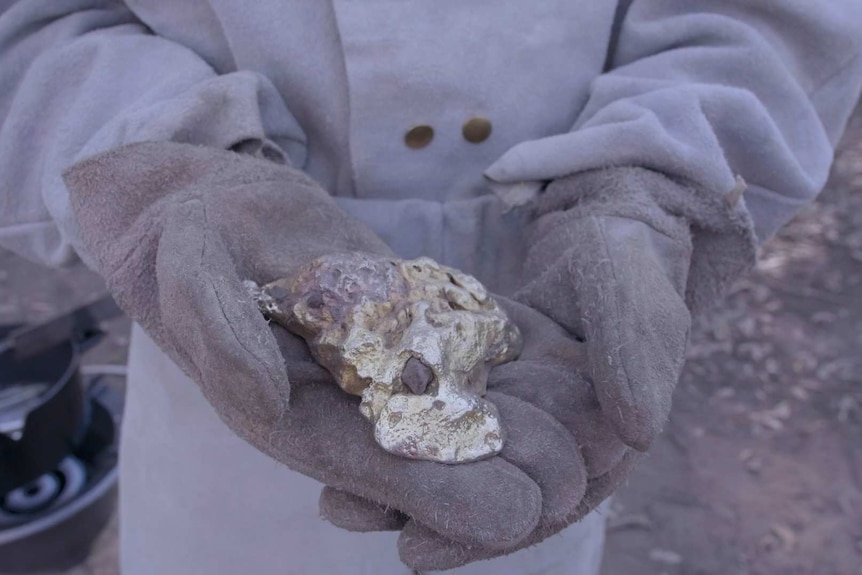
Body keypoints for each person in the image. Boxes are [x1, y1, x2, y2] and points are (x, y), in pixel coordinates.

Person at [1, 1, 860, 573]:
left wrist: (661, 171)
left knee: (513, 518)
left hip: (556, 360)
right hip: (220, 345)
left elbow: (774, 20)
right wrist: (158, 167)